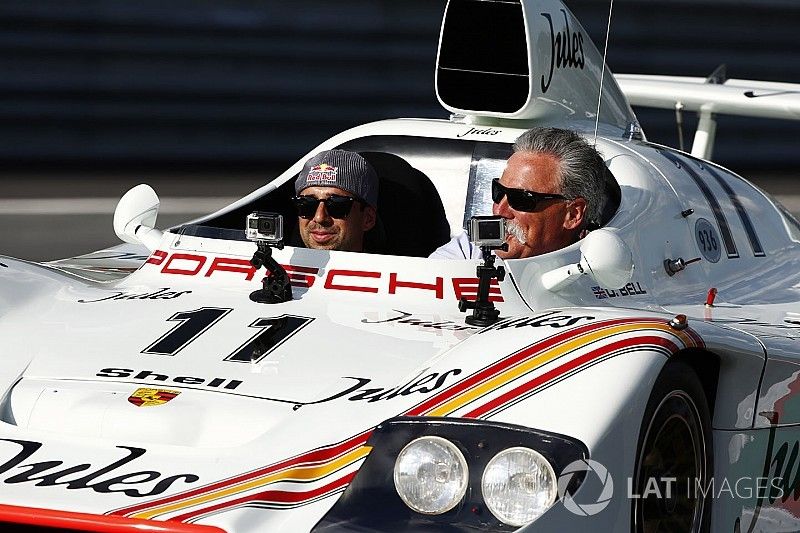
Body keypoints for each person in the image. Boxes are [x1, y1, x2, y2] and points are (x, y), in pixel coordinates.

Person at [430, 127, 608, 260]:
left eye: (521, 199)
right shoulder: (470, 250)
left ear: (573, 214)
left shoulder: (606, 268)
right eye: (499, 192)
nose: (500, 211)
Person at [292, 149, 378, 252]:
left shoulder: (393, 267)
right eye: (306, 204)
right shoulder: (272, 262)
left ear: (368, 219)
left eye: (337, 204)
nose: (319, 217)